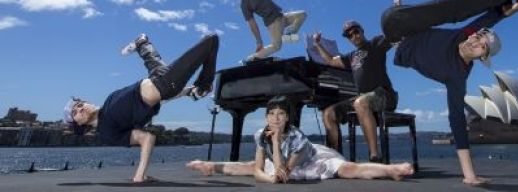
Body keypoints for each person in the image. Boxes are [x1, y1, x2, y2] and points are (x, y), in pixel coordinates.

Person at [382, 0, 518, 185]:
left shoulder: (456, 77)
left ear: (482, 56)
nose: (474, 41)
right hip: (406, 21)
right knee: (454, 11)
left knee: (418, 15)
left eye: (481, 46)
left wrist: (469, 175)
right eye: (477, 37)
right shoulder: (464, 35)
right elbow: (492, 17)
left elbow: (457, 121)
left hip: (397, 34)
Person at [63, 33, 219, 183]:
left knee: (156, 63)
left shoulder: (108, 101)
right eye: (75, 113)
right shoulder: (107, 131)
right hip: (165, 84)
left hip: (157, 79)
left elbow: (150, 99)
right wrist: (139, 175)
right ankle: (202, 85)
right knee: (211, 40)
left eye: (80, 104)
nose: (80, 108)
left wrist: (187, 92)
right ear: (79, 125)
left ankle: (142, 44)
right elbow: (147, 138)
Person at [186, 96, 413, 183]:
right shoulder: (260, 134)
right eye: (272, 114)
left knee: (349, 169)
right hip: (282, 161)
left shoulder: (296, 136)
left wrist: (275, 144)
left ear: (287, 118)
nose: (275, 119)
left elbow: (283, 172)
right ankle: (209, 166)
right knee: (246, 166)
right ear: (266, 116)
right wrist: (265, 174)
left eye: (281, 115)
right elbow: (256, 168)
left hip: (312, 159)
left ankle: (390, 169)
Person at [312, 23, 397, 162]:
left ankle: (375, 156)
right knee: (328, 113)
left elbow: (394, 35)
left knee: (360, 103)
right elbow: (331, 61)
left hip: (384, 95)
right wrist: (317, 44)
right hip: (362, 98)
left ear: (362, 31)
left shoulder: (375, 44)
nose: (353, 36)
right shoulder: (351, 56)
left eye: (355, 32)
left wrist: (396, 14)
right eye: (349, 35)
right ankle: (335, 158)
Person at [233, 0, 307, 62]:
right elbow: (252, 23)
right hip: (272, 23)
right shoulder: (244, 4)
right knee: (276, 46)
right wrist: (259, 42)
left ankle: (290, 33)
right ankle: (251, 59)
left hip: (281, 16)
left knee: (302, 15)